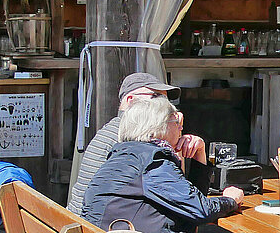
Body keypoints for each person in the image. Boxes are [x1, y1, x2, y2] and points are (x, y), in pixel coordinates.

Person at [82, 96, 243, 233]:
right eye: (176, 122)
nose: (181, 128)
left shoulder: (125, 155)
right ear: (159, 127)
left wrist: (199, 154)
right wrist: (231, 200)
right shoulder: (153, 162)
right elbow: (200, 210)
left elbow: (190, 202)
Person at [68, 72, 189, 215]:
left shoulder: (117, 128)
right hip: (95, 223)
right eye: (156, 97)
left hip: (81, 221)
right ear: (131, 101)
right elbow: (179, 195)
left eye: (166, 100)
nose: (164, 105)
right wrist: (176, 136)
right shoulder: (132, 135)